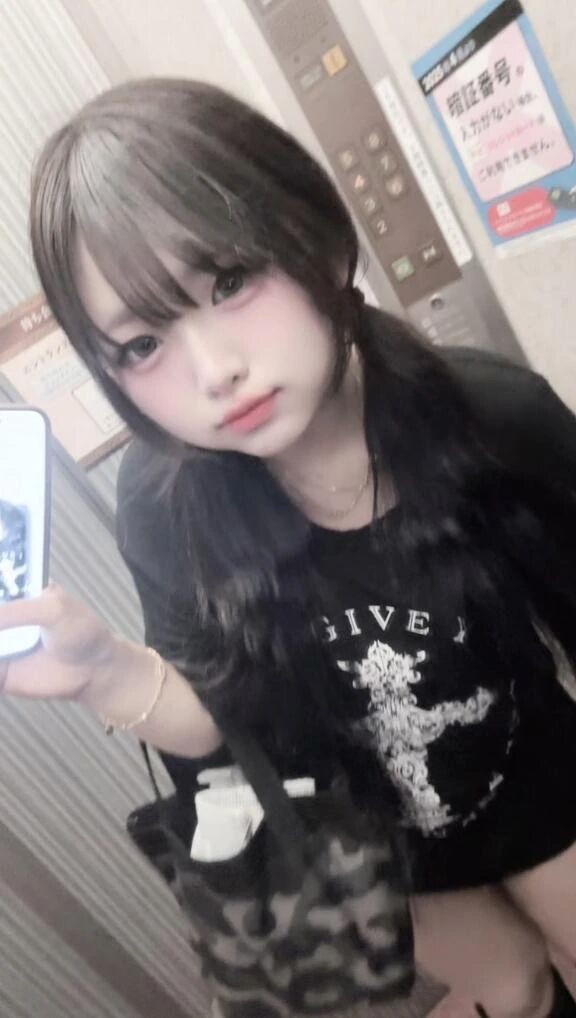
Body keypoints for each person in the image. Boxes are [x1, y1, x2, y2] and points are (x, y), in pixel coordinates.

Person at [1, 77, 576, 1017]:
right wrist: (107, 672)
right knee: (510, 989)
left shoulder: (493, 417)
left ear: (312, 232)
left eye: (229, 283)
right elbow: (229, 735)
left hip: (533, 775)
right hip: (368, 836)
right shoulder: (163, 504)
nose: (214, 372)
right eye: (141, 346)